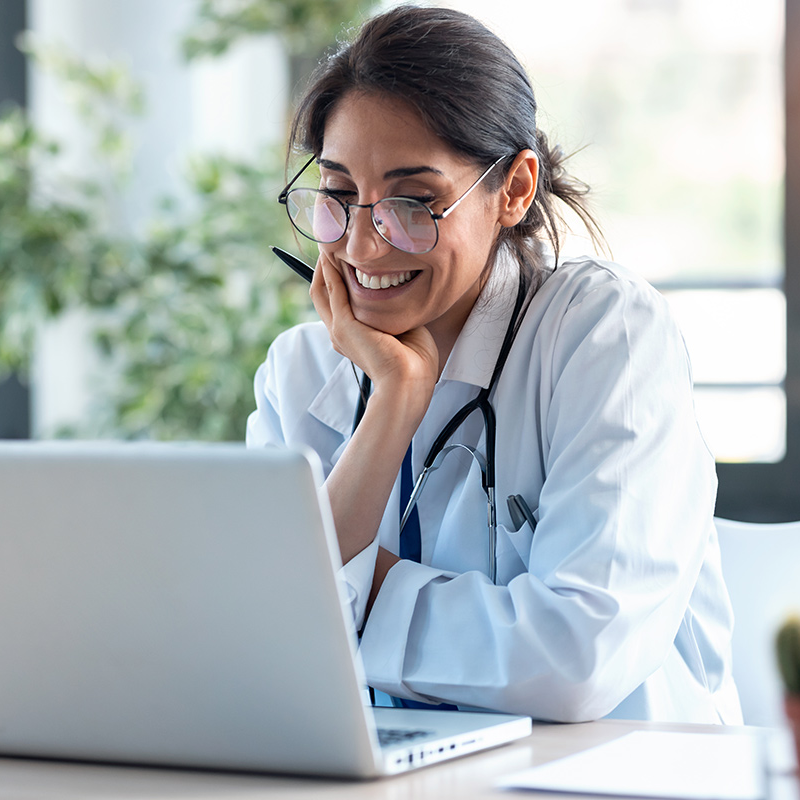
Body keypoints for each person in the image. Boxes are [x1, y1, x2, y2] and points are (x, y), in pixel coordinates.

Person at [247, 5, 741, 725]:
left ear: (513, 190)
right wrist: (393, 402)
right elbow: (260, 643)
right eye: (339, 195)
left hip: (616, 772)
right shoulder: (300, 373)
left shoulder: (603, 335)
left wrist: (352, 595)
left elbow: (577, 660)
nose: (363, 246)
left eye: (414, 202)